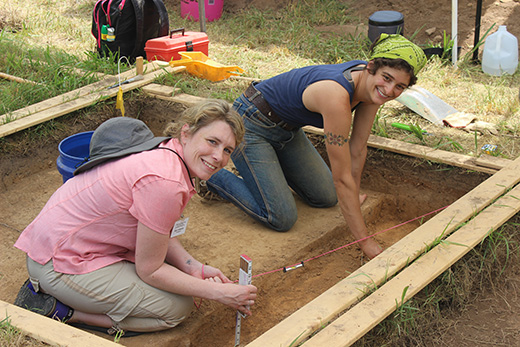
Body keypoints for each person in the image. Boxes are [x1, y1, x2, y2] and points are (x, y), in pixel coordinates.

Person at [13, 99, 257, 335]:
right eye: (212, 141)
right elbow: (150, 270)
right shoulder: (166, 182)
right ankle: (60, 309)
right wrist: (218, 293)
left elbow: (157, 230)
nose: (218, 156)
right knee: (177, 308)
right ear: (186, 132)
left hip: (60, 246)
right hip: (58, 263)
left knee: (178, 279)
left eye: (227, 150)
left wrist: (194, 268)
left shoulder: (165, 152)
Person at [202, 34, 427, 259]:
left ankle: (262, 169)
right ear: (370, 68)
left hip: (287, 131)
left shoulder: (372, 91)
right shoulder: (336, 95)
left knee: (327, 197)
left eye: (399, 86)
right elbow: (341, 178)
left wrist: (353, 194)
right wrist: (365, 242)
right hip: (252, 123)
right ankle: (213, 177)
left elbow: (357, 149)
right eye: (386, 78)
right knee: (280, 217)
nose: (389, 90)